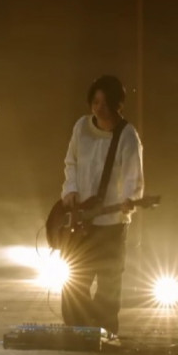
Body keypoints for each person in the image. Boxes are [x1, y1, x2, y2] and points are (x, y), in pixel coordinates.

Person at [60, 74, 145, 336]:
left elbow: (133, 174)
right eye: (96, 102)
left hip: (112, 224)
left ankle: (104, 332)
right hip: (81, 219)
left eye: (106, 103)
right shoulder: (81, 127)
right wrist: (71, 190)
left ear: (118, 105)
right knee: (76, 278)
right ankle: (76, 330)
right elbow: (71, 162)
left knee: (109, 282)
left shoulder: (127, 135)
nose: (100, 108)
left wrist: (130, 198)